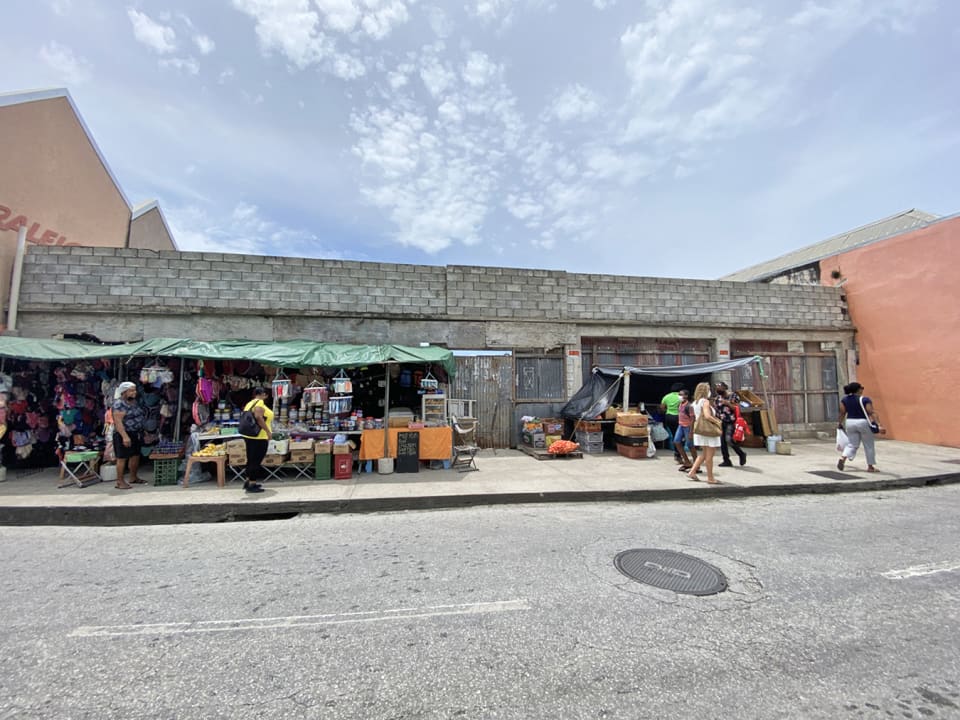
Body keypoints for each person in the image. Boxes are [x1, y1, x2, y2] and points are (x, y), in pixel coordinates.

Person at [837, 382, 885, 472]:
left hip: (850, 422)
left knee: (852, 444)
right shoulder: (865, 399)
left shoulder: (844, 400)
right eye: (861, 388)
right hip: (862, 422)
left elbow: (842, 413)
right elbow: (871, 412)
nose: (863, 389)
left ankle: (843, 458)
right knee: (868, 445)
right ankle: (870, 467)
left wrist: (839, 423)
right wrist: (879, 425)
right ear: (858, 389)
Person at [112, 381, 145, 489]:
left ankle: (133, 477)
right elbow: (118, 422)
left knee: (135, 455)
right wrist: (125, 436)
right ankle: (119, 481)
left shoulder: (134, 402)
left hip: (135, 432)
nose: (134, 392)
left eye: (134, 390)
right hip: (124, 433)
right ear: (124, 392)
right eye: (131, 391)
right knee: (122, 457)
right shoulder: (119, 404)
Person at [687, 382, 721, 484]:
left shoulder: (695, 403)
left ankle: (692, 471)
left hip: (700, 430)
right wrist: (717, 421)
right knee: (709, 456)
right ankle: (710, 478)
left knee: (703, 454)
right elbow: (707, 416)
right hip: (709, 431)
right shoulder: (705, 402)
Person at [241, 387, 273, 493]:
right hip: (259, 436)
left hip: (249, 436)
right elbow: (259, 417)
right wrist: (268, 431)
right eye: (266, 394)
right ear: (263, 394)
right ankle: (252, 484)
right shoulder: (259, 403)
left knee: (251, 459)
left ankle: (248, 481)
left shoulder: (249, 403)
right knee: (256, 460)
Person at [714, 381, 746, 467]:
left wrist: (727, 403)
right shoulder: (717, 398)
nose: (717, 388)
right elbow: (717, 410)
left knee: (729, 439)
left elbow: (736, 408)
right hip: (721, 421)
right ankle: (726, 460)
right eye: (716, 387)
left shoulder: (733, 396)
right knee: (722, 442)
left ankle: (741, 454)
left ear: (725, 387)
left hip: (731, 421)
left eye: (719, 386)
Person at [660, 383, 684, 461]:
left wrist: (668, 410)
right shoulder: (681, 397)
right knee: (681, 436)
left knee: (674, 435)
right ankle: (678, 453)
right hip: (679, 417)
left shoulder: (666, 396)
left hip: (669, 417)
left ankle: (677, 453)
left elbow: (662, 407)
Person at [673, 388, 695, 470]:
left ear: (686, 396)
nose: (680, 396)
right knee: (676, 442)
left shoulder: (689, 406)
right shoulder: (680, 404)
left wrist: (691, 431)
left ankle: (696, 464)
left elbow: (693, 418)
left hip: (688, 426)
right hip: (681, 425)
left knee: (690, 445)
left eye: (681, 394)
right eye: (679, 394)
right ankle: (687, 461)